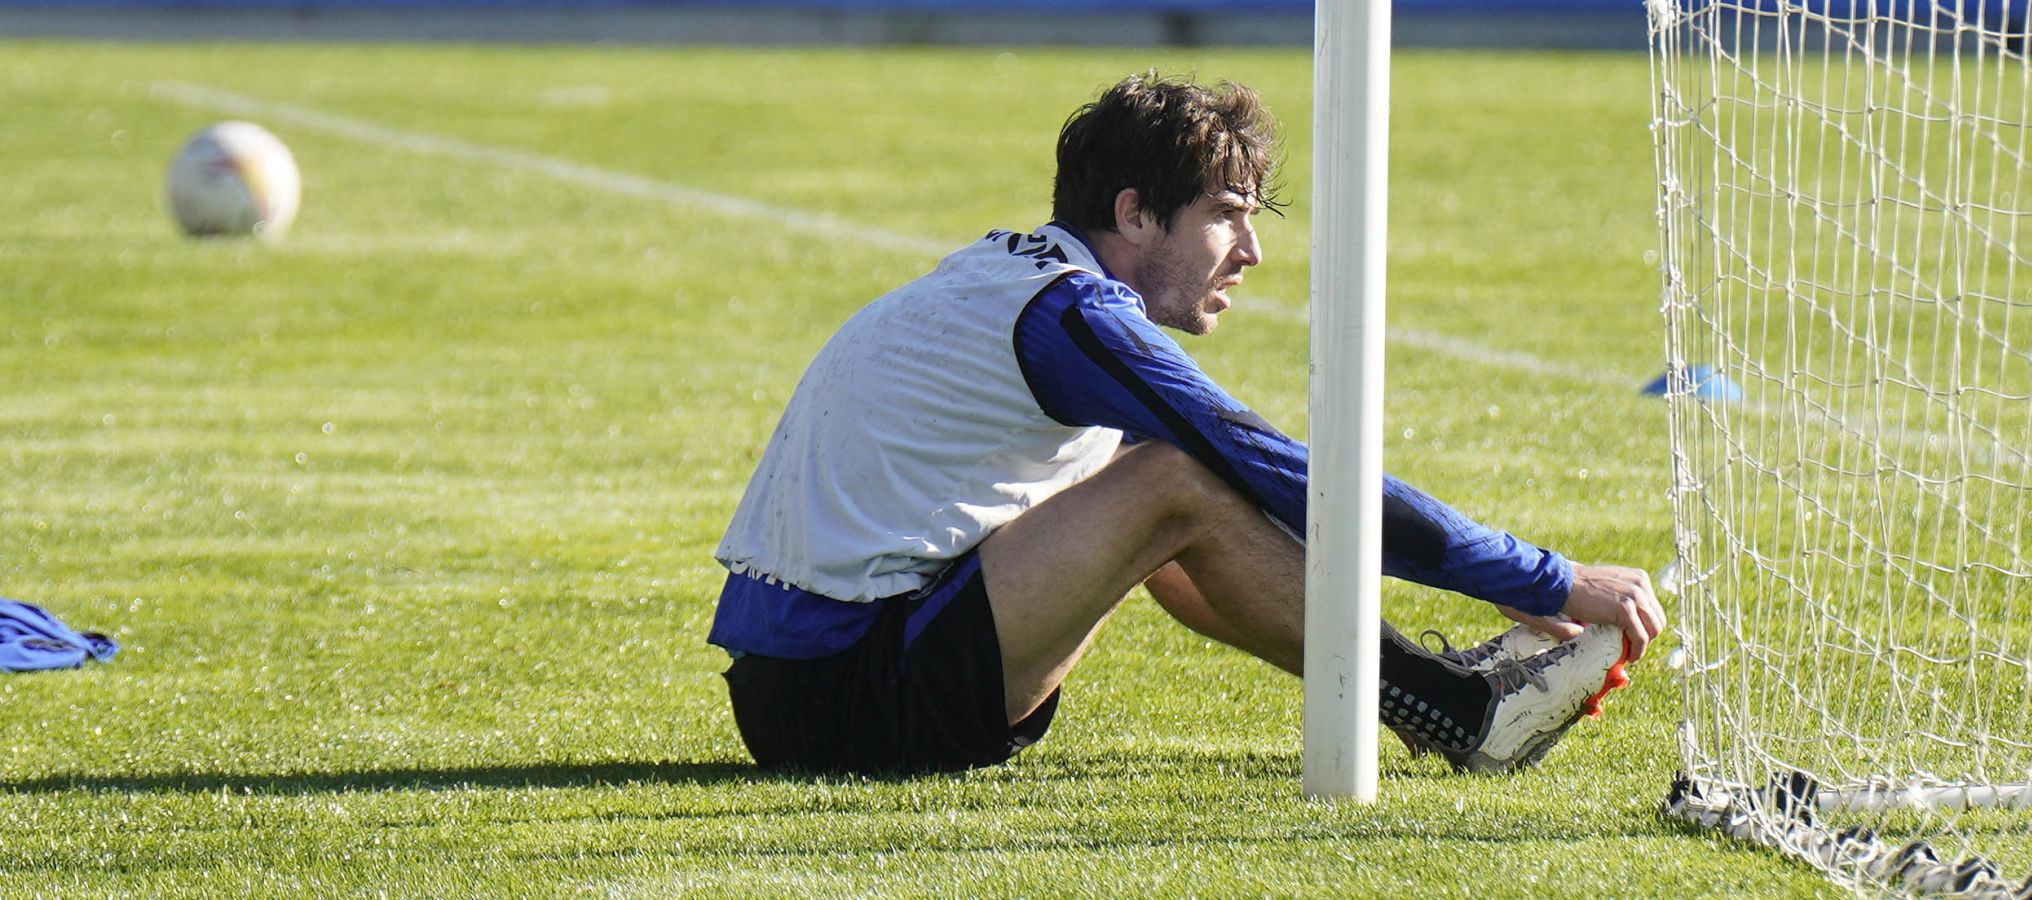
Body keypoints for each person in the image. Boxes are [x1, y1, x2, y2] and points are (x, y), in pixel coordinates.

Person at [709, 72, 1666, 776]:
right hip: (851, 700)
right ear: (1133, 212)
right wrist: (1546, 574)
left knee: (1161, 486)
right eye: (1226, 215)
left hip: (803, 688)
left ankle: (1440, 700)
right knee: (1177, 478)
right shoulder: (1073, 318)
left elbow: (1206, 534)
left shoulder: (1008, 278)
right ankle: (1463, 709)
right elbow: (1285, 475)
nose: (1250, 251)